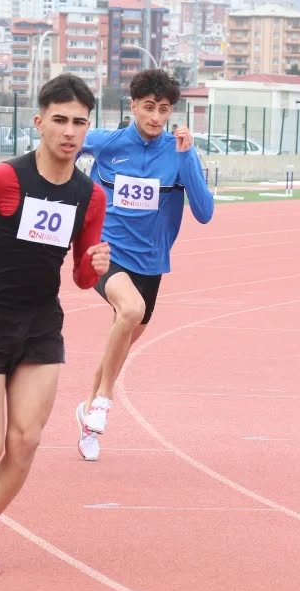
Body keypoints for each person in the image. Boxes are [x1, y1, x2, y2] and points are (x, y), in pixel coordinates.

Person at [0, 73, 110, 575]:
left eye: (79, 122)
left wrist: (92, 265)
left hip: (40, 326)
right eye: (60, 120)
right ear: (39, 123)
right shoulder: (6, 179)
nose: (70, 131)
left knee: (26, 441)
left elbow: (76, 277)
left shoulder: (88, 196)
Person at [72, 67, 215, 462]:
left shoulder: (179, 152)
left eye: (163, 109)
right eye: (148, 107)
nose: (155, 117)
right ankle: (104, 400)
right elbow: (60, 143)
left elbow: (204, 212)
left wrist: (186, 159)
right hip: (106, 251)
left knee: (121, 340)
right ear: (133, 105)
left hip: (151, 264)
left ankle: (87, 414)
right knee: (130, 310)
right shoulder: (107, 143)